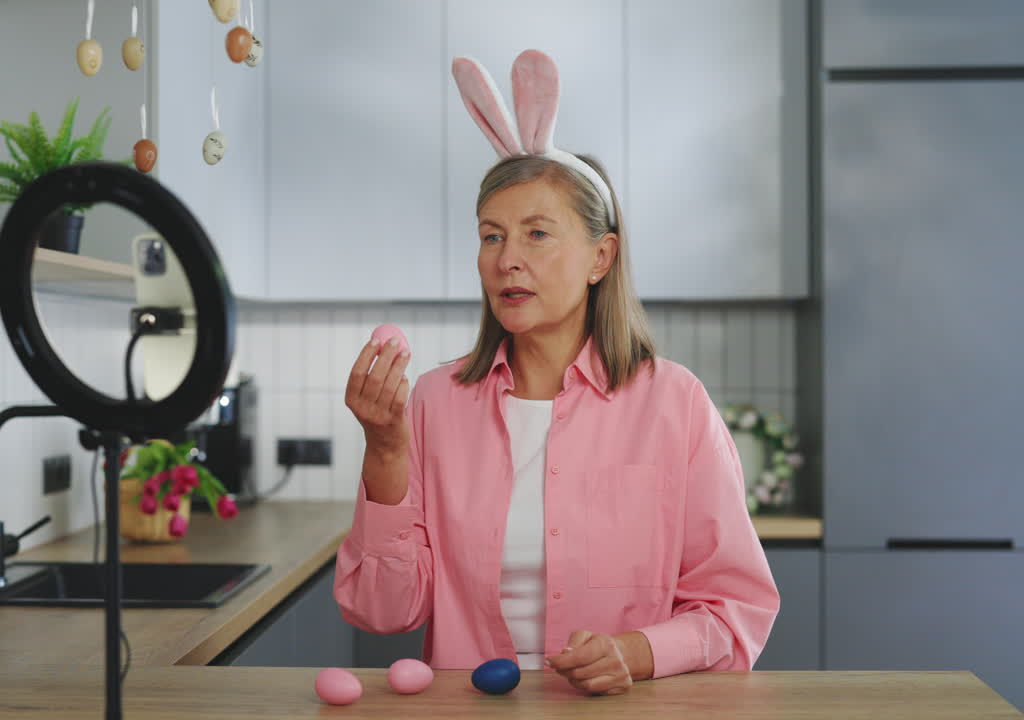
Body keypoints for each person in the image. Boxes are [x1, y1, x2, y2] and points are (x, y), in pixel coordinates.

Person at [334, 49, 779, 696]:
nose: (507, 260)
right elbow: (383, 612)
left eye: (537, 234)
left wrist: (638, 652)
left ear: (601, 257)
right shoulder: (432, 402)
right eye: (491, 236)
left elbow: (736, 611)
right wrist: (384, 450)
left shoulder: (674, 402)